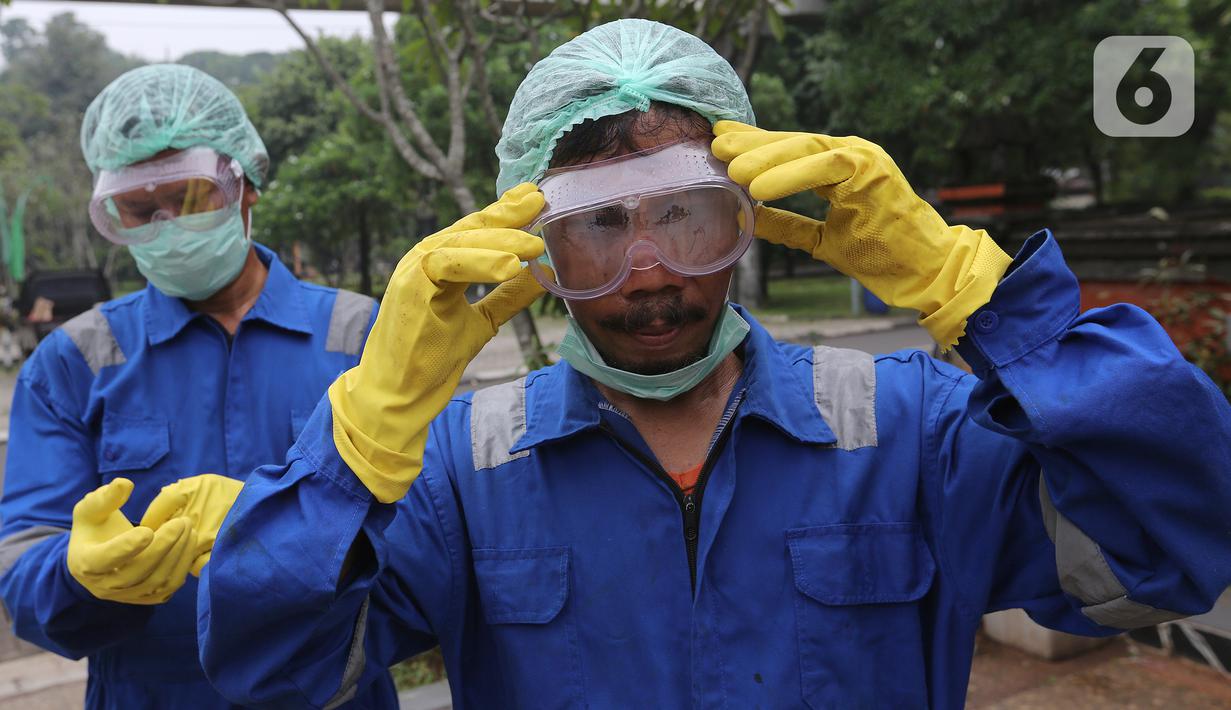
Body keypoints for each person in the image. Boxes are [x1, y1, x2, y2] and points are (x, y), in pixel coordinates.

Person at [200, 19, 1231, 709]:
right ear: (530, 249)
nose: (649, 273)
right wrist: (358, 441)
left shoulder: (912, 428)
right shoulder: (460, 471)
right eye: (597, 229)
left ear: (752, 214)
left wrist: (992, 306)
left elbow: (1179, 544)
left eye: (687, 216)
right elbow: (268, 669)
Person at [0, 64, 394, 709]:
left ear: (246, 186)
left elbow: (428, 531)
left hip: (330, 691)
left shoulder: (360, 336)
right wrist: (74, 573)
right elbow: (22, 563)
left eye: (188, 196)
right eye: (138, 208)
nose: (167, 223)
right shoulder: (73, 362)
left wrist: (296, 543)